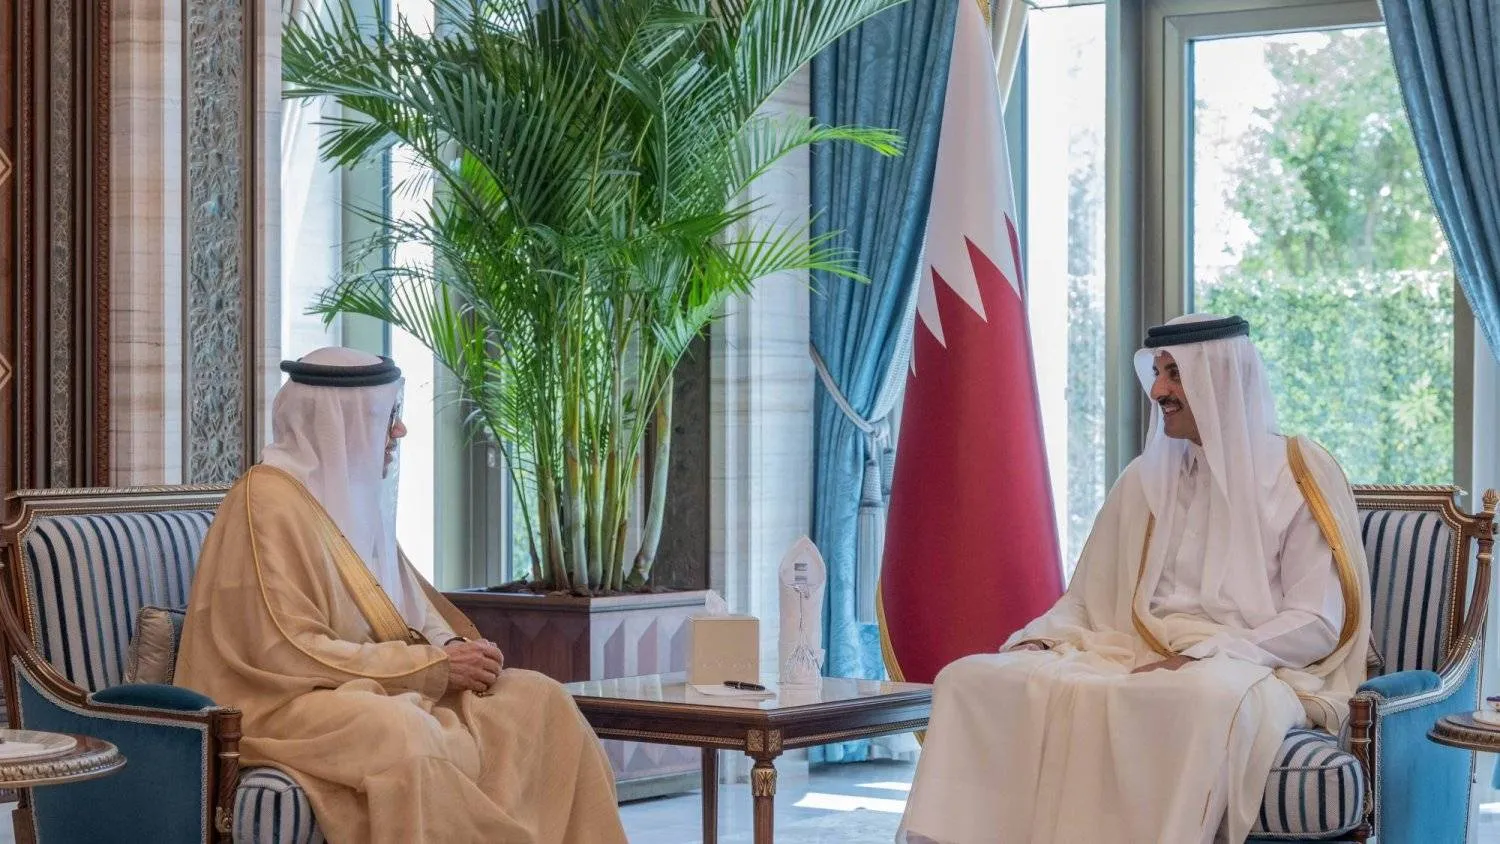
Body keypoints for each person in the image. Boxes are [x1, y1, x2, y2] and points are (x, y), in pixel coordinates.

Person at [897, 314, 1370, 844]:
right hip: (1129, 648)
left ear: (1221, 380)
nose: (1160, 390)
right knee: (970, 677)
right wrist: (1044, 635)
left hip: (1247, 664)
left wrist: (1205, 654)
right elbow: (1087, 597)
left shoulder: (1296, 472)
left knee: (1196, 698)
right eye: (1159, 373)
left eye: (1176, 375)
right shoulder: (1146, 477)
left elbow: (1316, 621)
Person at [175, 347, 627, 844]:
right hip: (282, 700)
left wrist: (453, 649)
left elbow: (402, 603)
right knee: (401, 733)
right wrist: (428, 669)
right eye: (388, 417)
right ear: (340, 420)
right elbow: (287, 649)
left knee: (541, 699)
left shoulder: (345, 494)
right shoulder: (264, 502)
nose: (399, 432)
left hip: (371, 681)